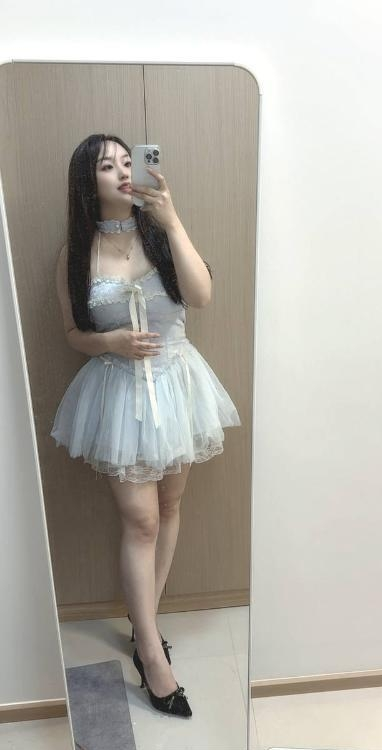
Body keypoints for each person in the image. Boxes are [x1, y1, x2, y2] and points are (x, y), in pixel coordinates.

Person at [51, 133, 241, 717]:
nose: (122, 170)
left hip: (178, 384)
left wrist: (173, 218)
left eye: (126, 160)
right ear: (87, 181)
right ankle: (154, 659)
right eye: (106, 165)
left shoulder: (159, 232)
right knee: (140, 520)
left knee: (170, 506)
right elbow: (72, 334)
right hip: (119, 391)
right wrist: (109, 341)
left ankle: (144, 627)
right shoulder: (74, 253)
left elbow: (202, 296)